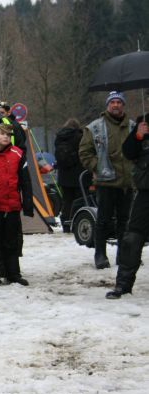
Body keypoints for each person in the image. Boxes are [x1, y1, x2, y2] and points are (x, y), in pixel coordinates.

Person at [79, 91, 135, 269]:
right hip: (105, 182)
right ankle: (100, 255)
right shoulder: (94, 127)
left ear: (123, 105)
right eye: (113, 102)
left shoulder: (133, 127)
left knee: (125, 221)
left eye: (119, 102)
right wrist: (96, 167)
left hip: (127, 182)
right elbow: (84, 152)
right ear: (107, 105)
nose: (116, 105)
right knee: (103, 220)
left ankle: (123, 255)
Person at [0, 124, 34, 286]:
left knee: (12, 242)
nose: (6, 137)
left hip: (12, 207)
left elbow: (25, 181)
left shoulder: (18, 154)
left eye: (8, 135)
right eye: (2, 134)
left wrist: (28, 204)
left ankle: (13, 274)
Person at [107, 114, 149, 299]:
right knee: (132, 238)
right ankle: (123, 285)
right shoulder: (144, 122)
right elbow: (128, 152)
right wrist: (138, 136)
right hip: (145, 191)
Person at [54, 118, 85, 233]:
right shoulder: (80, 136)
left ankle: (66, 224)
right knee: (79, 200)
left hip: (64, 176)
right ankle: (76, 223)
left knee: (67, 201)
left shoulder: (59, 137)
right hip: (78, 175)